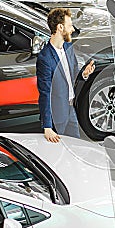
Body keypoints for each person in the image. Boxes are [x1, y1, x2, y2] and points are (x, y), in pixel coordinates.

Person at [36, 8, 95, 142]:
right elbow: (45, 93)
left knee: (76, 144)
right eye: (69, 26)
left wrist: (84, 74)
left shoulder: (68, 47)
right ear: (60, 27)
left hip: (70, 109)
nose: (73, 29)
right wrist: (47, 126)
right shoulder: (45, 58)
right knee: (59, 151)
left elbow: (72, 74)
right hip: (57, 116)